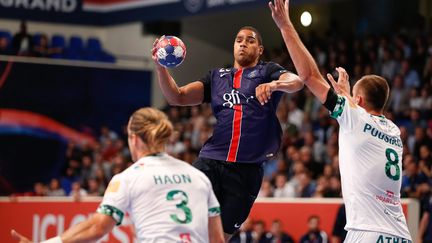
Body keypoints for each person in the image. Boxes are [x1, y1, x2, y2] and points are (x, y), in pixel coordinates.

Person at [269, 0, 412, 242]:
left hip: (366, 232)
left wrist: (285, 26)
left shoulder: (355, 117)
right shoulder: (394, 131)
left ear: (358, 99)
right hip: (400, 234)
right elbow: (364, 120)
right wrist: (348, 97)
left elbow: (308, 76)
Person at [151, 26, 304, 238]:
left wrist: (274, 85)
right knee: (188, 224)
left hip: (246, 172)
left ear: (260, 50)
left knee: (219, 237)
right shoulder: (216, 78)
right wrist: (160, 68)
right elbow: (177, 97)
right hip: (211, 161)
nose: (243, 43)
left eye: (250, 40)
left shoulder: (267, 71)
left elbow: (296, 81)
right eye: (239, 39)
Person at [11, 107, 224, 243]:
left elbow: (97, 227)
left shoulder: (129, 177)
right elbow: (217, 240)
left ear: (134, 139)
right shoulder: (197, 177)